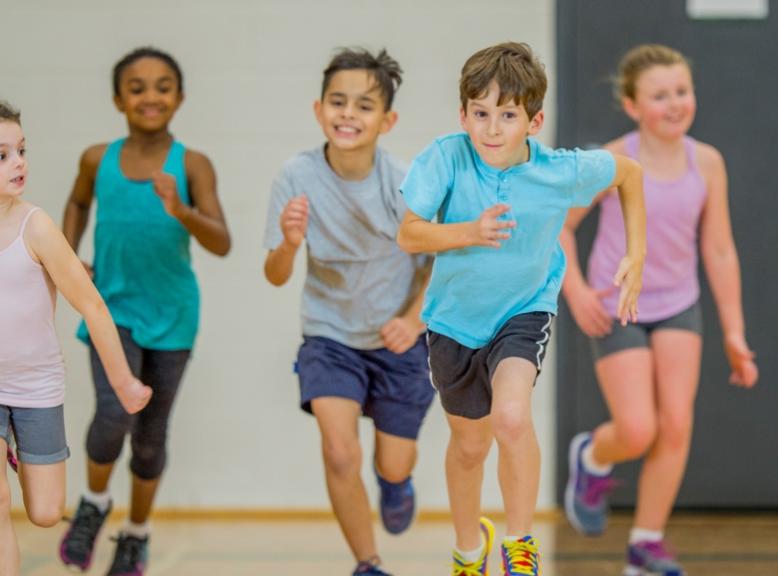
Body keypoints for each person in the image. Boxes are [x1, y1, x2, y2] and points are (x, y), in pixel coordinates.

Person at [397, 41, 646, 576]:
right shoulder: (446, 157)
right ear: (462, 114)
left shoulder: (560, 171)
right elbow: (409, 234)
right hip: (453, 321)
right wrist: (469, 232)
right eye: (480, 113)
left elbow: (630, 174)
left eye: (507, 116)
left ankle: (519, 542)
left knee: (511, 418)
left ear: (533, 122)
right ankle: (469, 551)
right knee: (470, 446)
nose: (491, 129)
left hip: (524, 311)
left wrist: (637, 252)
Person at [560, 44, 758, 576]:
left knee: (675, 425)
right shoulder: (611, 162)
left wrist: (734, 332)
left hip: (678, 304)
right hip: (617, 303)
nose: (675, 104)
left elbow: (719, 249)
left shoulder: (707, 162)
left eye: (682, 91)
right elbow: (561, 227)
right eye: (659, 96)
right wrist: (576, 291)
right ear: (631, 106)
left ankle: (645, 544)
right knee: (638, 428)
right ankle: (592, 457)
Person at [59, 47, 231, 576]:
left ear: (180, 97)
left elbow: (221, 241)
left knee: (151, 437)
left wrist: (180, 209)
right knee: (113, 414)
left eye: (162, 86)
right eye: (137, 88)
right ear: (118, 99)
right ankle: (93, 503)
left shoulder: (193, 165)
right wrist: (68, 256)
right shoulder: (96, 159)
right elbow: (77, 203)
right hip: (112, 310)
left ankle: (136, 534)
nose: (150, 97)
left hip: (174, 317)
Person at [263, 48, 434, 576]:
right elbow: (275, 273)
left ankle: (396, 483)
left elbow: (441, 262)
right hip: (329, 335)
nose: (348, 114)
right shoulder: (296, 175)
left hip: (399, 338)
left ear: (388, 120)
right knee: (340, 453)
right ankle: (368, 562)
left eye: (364, 105)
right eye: (338, 102)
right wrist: (290, 243)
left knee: (392, 462)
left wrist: (414, 320)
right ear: (319, 110)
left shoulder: (405, 182)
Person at [0, 100, 152, 576]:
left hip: (35, 386)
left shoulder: (37, 228)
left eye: (21, 150)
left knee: (46, 512)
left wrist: (124, 382)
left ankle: (17, 448)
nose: (19, 163)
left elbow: (93, 306)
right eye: (2, 155)